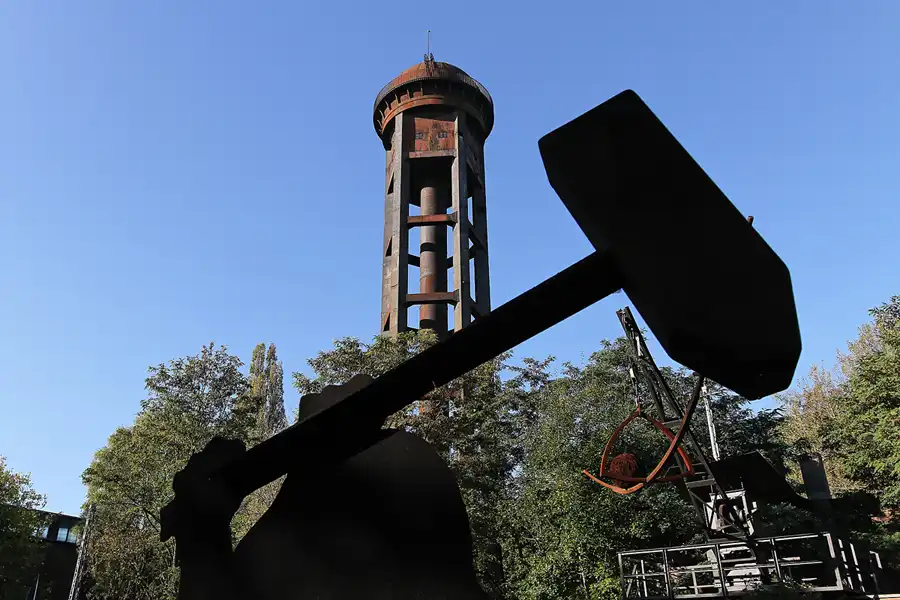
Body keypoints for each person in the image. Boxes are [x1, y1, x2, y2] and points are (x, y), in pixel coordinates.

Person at [171, 375, 488, 600]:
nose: (310, 397)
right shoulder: (403, 457)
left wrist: (202, 536)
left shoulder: (384, 463)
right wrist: (203, 535)